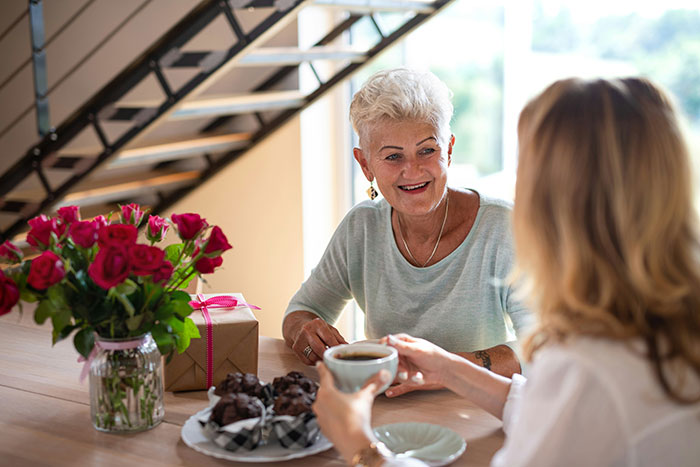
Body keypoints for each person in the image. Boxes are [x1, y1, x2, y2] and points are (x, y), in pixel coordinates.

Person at [312, 77, 700, 466]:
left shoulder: (591, 368)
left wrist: (359, 444)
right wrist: (448, 368)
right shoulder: (657, 326)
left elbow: (574, 407)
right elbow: (549, 413)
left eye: (528, 169)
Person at [283, 69, 532, 390]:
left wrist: (446, 369)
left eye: (427, 150)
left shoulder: (504, 227)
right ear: (365, 165)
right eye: (393, 156)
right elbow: (302, 311)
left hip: (477, 410)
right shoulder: (361, 227)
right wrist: (304, 331)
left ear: (450, 149)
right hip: (387, 409)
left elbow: (540, 345)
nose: (412, 170)